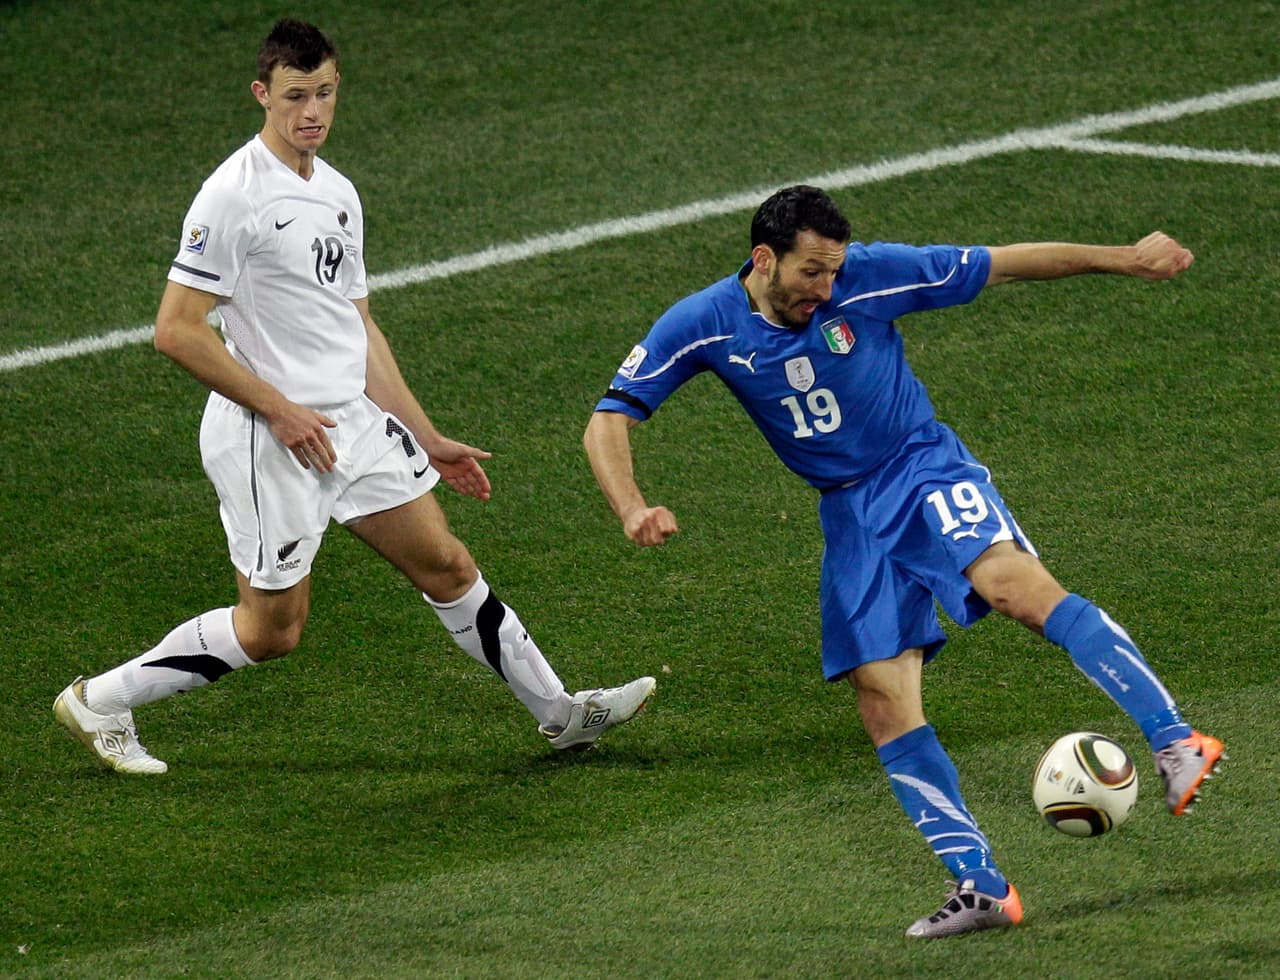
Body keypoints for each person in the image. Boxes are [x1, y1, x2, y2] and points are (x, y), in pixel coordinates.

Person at [582, 184, 1224, 938]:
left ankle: (1176, 738)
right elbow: (609, 418)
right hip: (849, 515)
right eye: (811, 272)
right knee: (883, 700)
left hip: (920, 469)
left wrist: (1127, 260)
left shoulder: (869, 276)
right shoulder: (701, 324)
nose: (825, 289)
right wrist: (631, 506)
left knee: (1013, 587)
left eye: (834, 272)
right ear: (764, 259)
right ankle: (983, 887)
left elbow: (1005, 265)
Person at [54, 18, 654, 775]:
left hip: (352, 425)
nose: (313, 111)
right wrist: (278, 407)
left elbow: (358, 325)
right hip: (268, 438)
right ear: (262, 95)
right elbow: (176, 331)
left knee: (448, 567)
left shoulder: (337, 192)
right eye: (296, 95)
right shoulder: (232, 196)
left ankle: (562, 715)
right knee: (273, 630)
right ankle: (101, 700)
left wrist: (424, 432)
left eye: (326, 93)